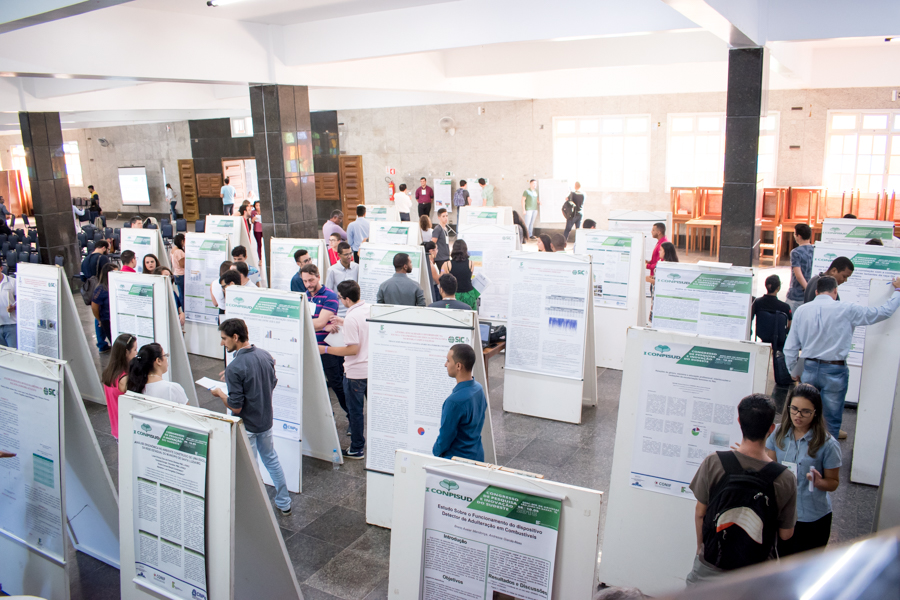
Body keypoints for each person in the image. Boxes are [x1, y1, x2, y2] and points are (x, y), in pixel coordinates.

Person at [685, 394, 797, 585]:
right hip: (756, 573)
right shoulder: (785, 478)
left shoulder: (714, 462)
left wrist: (700, 548)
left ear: (739, 422)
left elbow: (700, 513)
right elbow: (786, 534)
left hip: (711, 565)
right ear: (771, 429)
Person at [785, 275, 900, 439]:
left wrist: (793, 370)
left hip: (808, 368)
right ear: (835, 291)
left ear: (817, 291)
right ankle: (825, 461)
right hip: (834, 370)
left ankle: (805, 457)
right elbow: (884, 312)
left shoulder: (802, 310)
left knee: (804, 417)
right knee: (830, 421)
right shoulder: (847, 309)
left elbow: (790, 346)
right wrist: (898, 291)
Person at [211, 318, 291, 516]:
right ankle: (284, 502)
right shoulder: (265, 355)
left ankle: (256, 511)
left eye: (224, 339)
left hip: (248, 425)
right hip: (265, 420)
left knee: (251, 467)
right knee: (271, 459)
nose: (222, 343)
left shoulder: (235, 367)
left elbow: (236, 407)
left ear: (235, 337)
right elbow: (271, 382)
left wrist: (220, 394)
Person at [766, 384, 841, 556]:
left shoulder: (828, 444)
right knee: (783, 565)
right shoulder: (778, 433)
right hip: (783, 514)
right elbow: (770, 465)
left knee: (807, 570)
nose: (798, 416)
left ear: (816, 412)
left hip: (812, 517)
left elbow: (834, 482)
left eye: (805, 411)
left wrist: (820, 482)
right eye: (794, 409)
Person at [318, 280, 370, 459]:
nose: (339, 300)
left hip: (355, 371)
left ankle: (357, 448)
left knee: (355, 412)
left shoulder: (352, 318)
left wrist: (325, 349)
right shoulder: (368, 309)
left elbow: (352, 349)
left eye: (340, 297)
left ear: (347, 298)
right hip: (371, 369)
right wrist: (344, 321)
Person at [301, 264, 348, 419]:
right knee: (315, 386)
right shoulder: (304, 296)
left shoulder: (329, 296)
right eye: (305, 281)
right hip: (310, 347)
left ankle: (351, 417)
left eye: (311, 280)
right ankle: (327, 417)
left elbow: (319, 323)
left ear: (318, 276)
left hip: (329, 349)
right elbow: (318, 324)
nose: (308, 284)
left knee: (337, 385)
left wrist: (306, 323)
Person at [433, 344, 486, 461]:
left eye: (448, 361)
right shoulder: (479, 389)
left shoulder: (454, 402)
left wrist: (435, 452)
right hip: (476, 455)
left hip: (457, 461)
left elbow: (445, 438)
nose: (445, 364)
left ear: (458, 366)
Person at [100, 333, 137, 439]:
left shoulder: (109, 372)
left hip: (116, 427)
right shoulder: (124, 379)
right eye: (134, 349)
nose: (136, 353)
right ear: (126, 352)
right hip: (127, 429)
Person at [751, 275, 793, 339]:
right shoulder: (785, 307)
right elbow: (790, 326)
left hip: (762, 337)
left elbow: (751, 318)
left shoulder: (757, 303)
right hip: (779, 340)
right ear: (778, 288)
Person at [441, 240, 478, 310]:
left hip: (454, 295)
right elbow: (468, 277)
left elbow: (442, 280)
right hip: (469, 295)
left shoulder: (447, 264)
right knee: (469, 317)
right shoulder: (471, 263)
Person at [325, 242, 359, 317]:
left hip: (355, 309)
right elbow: (329, 291)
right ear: (339, 255)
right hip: (339, 311)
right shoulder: (332, 270)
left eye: (350, 253)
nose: (349, 256)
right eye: (346, 254)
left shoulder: (356, 268)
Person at [787, 224, 814, 314]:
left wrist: (807, 289)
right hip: (813, 291)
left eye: (795, 234)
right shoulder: (815, 249)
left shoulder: (796, 252)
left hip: (797, 293)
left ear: (799, 236)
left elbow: (798, 275)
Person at [91, 263, 118, 353]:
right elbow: (94, 307)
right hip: (107, 319)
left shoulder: (115, 285)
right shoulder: (101, 289)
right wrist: (99, 319)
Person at [0, 269, 16, 348]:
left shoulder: (12, 282)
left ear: (1, 268)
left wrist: (14, 307)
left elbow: (22, 300)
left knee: (13, 354)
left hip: (11, 325)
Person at [171, 233, 186, 303]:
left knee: (181, 293)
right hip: (181, 274)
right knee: (183, 295)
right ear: (182, 241)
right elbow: (182, 264)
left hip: (176, 273)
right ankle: (183, 310)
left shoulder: (173, 249)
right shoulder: (179, 252)